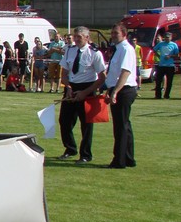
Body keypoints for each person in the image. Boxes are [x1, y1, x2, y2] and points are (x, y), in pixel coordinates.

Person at [57, 26, 107, 164]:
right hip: (71, 88)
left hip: (87, 88)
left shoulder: (94, 53)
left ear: (87, 37)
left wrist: (85, 93)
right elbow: (64, 73)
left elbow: (102, 77)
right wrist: (68, 87)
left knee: (86, 124)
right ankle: (70, 149)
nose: (76, 39)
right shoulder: (70, 50)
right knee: (64, 121)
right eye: (75, 36)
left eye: (79, 37)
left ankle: (85, 154)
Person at [104, 23, 138, 169]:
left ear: (124, 34)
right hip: (117, 88)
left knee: (120, 126)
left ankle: (119, 160)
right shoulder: (118, 49)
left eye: (116, 33)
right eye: (112, 33)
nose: (113, 35)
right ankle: (129, 158)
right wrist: (109, 89)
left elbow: (125, 72)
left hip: (124, 89)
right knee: (124, 125)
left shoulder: (126, 49)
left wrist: (115, 91)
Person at [153, 31, 179, 99]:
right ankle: (158, 95)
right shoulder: (161, 44)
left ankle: (167, 95)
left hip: (170, 66)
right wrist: (159, 55)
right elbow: (154, 50)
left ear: (171, 37)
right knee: (158, 81)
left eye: (168, 37)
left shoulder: (174, 45)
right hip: (161, 65)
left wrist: (170, 56)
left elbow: (177, 55)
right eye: (166, 37)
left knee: (169, 82)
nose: (167, 38)